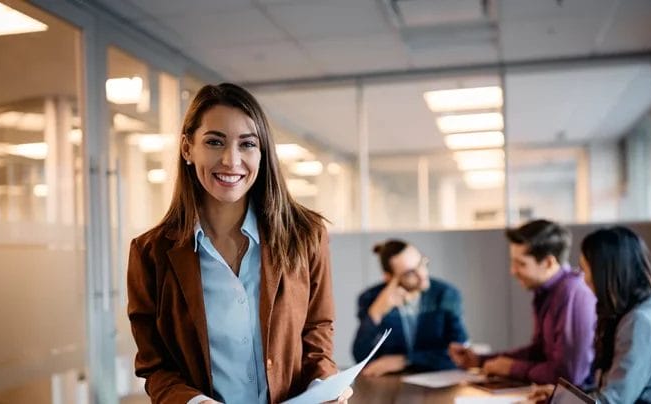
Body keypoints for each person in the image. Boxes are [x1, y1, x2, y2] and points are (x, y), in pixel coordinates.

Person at [126, 83, 351, 404]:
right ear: (187, 149)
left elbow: (317, 333)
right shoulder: (151, 253)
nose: (231, 160)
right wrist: (193, 403)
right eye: (215, 142)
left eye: (247, 144)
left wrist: (324, 385)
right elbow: (155, 365)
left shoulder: (305, 234)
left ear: (262, 153)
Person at [529, 227, 651, 403]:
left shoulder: (642, 321)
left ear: (606, 272)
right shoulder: (647, 310)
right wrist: (563, 397)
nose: (583, 279)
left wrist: (563, 402)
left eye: (586, 269)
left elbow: (614, 401)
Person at [448, 219, 596, 386]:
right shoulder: (545, 292)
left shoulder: (573, 294)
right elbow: (538, 352)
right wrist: (481, 360)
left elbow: (569, 375)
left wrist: (512, 368)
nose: (513, 271)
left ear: (548, 262)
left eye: (521, 264)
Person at [352, 239, 469, 376]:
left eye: (421, 263)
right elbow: (360, 357)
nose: (422, 274)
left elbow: (460, 355)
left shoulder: (446, 295)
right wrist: (376, 313)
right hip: (390, 384)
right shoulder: (371, 298)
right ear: (389, 278)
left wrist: (405, 360)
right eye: (410, 273)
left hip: (437, 381)